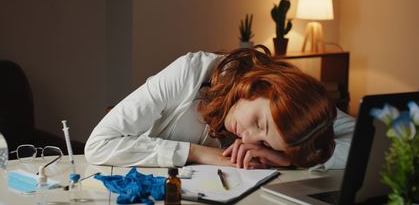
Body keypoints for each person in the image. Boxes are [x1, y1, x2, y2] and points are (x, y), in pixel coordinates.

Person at [85, 46, 354, 170]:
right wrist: (198, 154)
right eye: (260, 124)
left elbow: (363, 138)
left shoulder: (302, 108)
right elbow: (98, 144)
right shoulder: (189, 72)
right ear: (263, 87)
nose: (247, 138)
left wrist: (291, 157)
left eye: (264, 141)